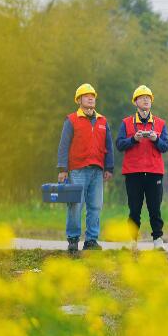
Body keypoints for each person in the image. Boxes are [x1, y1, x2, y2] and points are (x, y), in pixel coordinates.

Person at [57, 83, 114, 255]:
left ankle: (91, 241)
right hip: (77, 170)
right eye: (86, 95)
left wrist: (109, 167)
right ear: (79, 100)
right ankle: (73, 240)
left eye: (92, 96)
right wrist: (62, 168)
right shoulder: (71, 120)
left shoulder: (103, 121)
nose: (90, 98)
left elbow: (109, 146)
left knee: (95, 206)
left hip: (97, 170)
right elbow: (64, 145)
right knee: (75, 205)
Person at [115, 85, 168, 251]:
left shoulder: (160, 123)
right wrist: (133, 139)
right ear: (136, 102)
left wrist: (156, 139)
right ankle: (132, 240)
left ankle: (158, 240)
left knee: (155, 208)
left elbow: (165, 146)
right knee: (134, 209)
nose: (146, 100)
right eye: (142, 97)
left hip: (154, 172)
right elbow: (119, 144)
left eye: (148, 98)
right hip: (133, 173)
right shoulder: (126, 122)